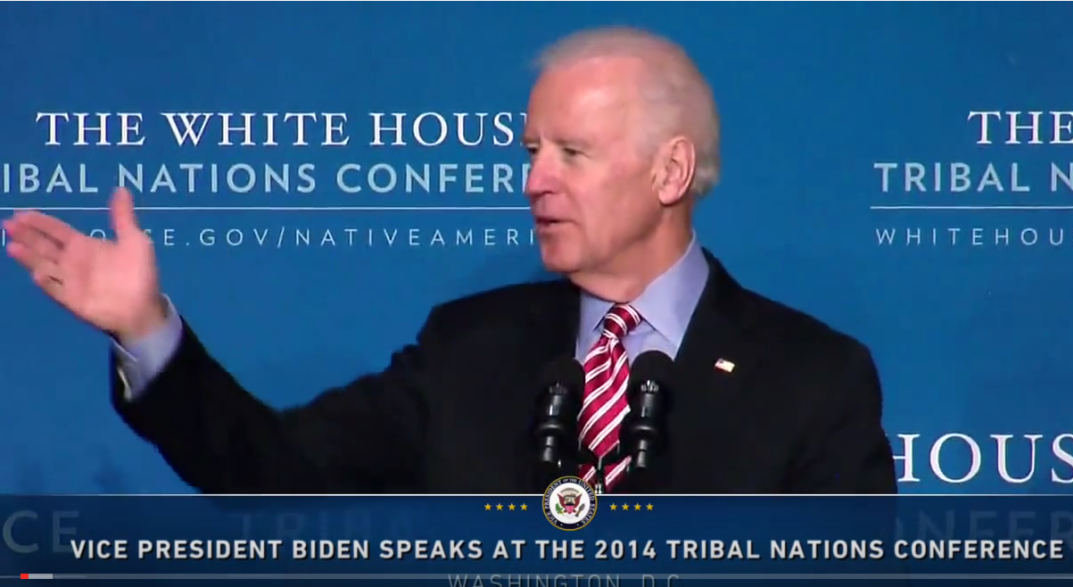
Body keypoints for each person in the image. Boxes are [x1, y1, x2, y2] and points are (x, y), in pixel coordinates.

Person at [3, 27, 897, 495]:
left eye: (572, 154)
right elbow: (270, 468)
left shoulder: (813, 376)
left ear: (669, 171)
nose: (536, 180)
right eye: (530, 150)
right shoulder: (470, 347)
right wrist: (147, 331)